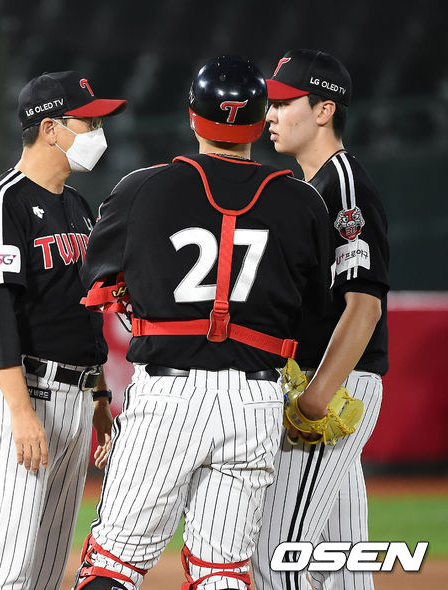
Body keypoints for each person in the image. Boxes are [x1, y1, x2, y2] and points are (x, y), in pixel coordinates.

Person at [71, 55, 334, 590]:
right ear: (261, 123)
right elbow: (314, 312)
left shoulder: (143, 187)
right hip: (255, 402)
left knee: (113, 563)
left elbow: (95, 283)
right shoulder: (303, 202)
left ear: (193, 118)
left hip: (167, 397)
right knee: (222, 572)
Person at [0, 70, 127, 590]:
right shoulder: (2, 203)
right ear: (51, 128)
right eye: (89, 119)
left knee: (46, 568)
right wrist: (18, 411)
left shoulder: (78, 207)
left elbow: (83, 311)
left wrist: (100, 400)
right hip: (23, 388)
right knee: (9, 568)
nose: (98, 130)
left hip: (77, 396)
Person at [251, 49, 389, 590]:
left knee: (276, 553)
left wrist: (314, 399)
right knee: (342, 567)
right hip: (327, 381)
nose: (271, 114)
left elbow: (364, 304)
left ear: (325, 110)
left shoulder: (343, 185)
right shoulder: (310, 188)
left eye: (285, 102)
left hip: (331, 385)